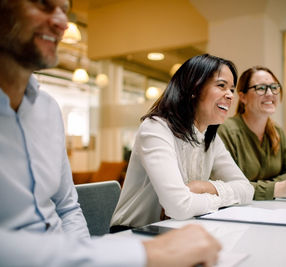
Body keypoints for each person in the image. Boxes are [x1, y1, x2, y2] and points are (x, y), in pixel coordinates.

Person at [0, 1, 221, 266]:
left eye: (65, 9)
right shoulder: (156, 128)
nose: (61, 22)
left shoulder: (47, 110)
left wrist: (87, 258)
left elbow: (67, 208)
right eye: (44, 4)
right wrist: (145, 254)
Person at [111, 54, 254, 228]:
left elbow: (247, 189)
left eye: (231, 89)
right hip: (133, 234)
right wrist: (220, 198)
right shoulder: (156, 128)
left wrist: (205, 187)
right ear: (194, 88)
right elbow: (179, 206)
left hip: (179, 229)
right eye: (221, 86)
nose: (230, 95)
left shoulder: (210, 137)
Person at [218, 66, 286, 200]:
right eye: (261, 88)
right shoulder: (226, 131)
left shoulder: (277, 132)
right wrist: (279, 188)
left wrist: (264, 187)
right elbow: (229, 187)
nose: (270, 93)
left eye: (274, 87)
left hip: (274, 208)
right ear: (243, 97)